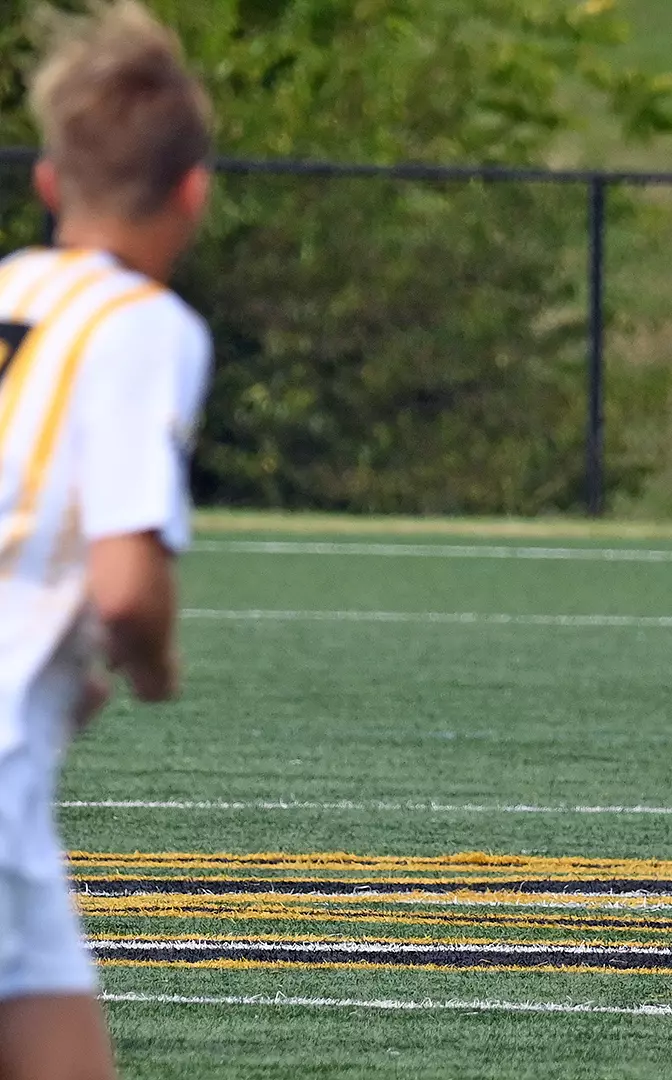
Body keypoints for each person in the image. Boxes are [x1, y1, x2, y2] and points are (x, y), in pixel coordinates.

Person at [0, 3, 214, 1076]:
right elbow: (128, 584)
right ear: (195, 190)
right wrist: (152, 668)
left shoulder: (8, 291)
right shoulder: (146, 327)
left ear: (49, 185)